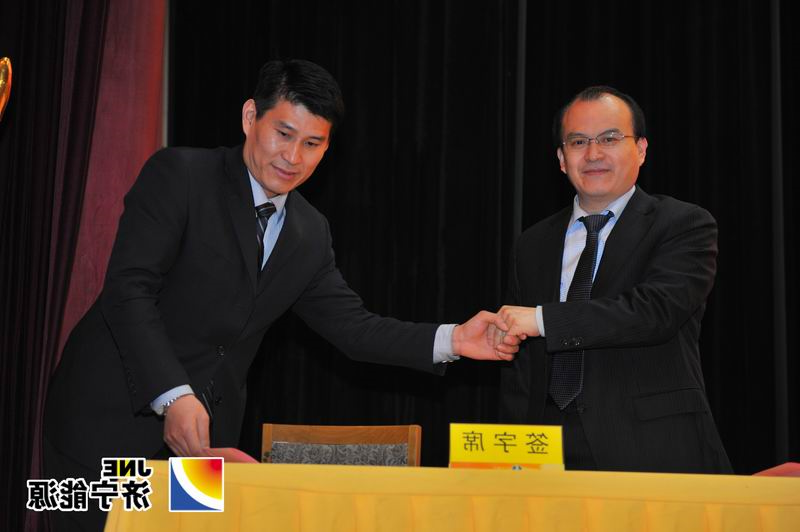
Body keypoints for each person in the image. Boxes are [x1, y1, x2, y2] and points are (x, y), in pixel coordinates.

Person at [43, 59, 517, 531]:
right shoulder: (181, 175)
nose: (293, 157)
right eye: (283, 134)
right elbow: (129, 290)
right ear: (251, 117)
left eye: (312, 143)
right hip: (107, 421)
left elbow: (353, 328)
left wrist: (454, 339)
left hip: (204, 447)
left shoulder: (309, 232)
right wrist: (174, 395)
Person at [496, 86, 731, 474]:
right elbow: (521, 370)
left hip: (653, 449)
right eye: (578, 142)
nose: (593, 154)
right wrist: (512, 456)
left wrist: (540, 319)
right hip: (546, 452)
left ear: (641, 149)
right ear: (561, 159)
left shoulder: (683, 224)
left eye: (609, 138)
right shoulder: (531, 243)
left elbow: (654, 312)